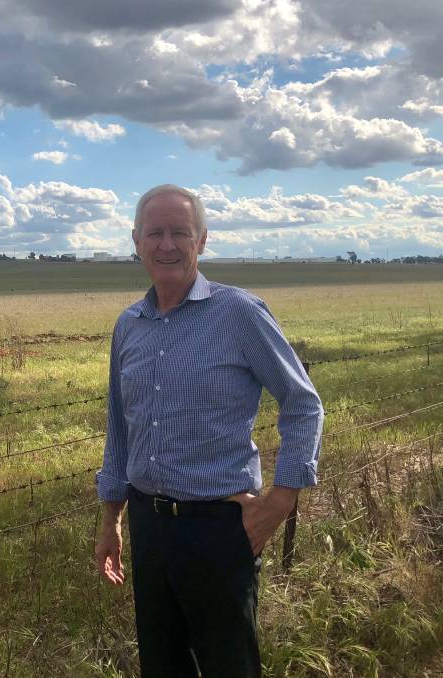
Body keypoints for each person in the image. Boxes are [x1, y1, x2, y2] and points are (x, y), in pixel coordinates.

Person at [94, 184, 323, 677]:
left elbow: (302, 402)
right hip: (147, 523)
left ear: (202, 239)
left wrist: (282, 500)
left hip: (219, 528)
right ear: (136, 241)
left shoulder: (238, 313)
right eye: (155, 232)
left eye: (181, 232)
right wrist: (111, 518)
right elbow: (120, 425)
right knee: (162, 664)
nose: (167, 244)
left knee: (227, 666)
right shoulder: (129, 325)